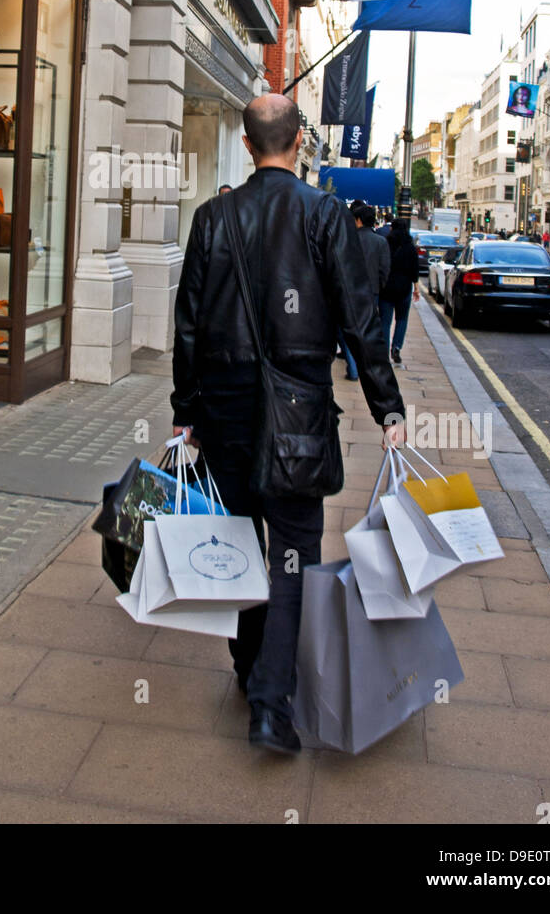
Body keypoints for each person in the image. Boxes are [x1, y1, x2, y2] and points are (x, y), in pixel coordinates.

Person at [171, 94, 405, 756]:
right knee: (293, 555)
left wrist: (187, 412)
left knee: (241, 549)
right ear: (299, 141)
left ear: (247, 146)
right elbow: (362, 323)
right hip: (299, 416)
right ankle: (271, 706)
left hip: (224, 415)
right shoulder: (327, 216)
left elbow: (187, 326)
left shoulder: (213, 217)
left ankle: (250, 672)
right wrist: (388, 409)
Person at [338, 203, 391, 382]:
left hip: (347, 290)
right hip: (371, 292)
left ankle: (353, 368)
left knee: (345, 329)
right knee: (365, 329)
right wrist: (378, 287)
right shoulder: (381, 242)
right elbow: (385, 269)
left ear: (358, 220)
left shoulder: (346, 239)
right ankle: (364, 365)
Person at [379, 217, 420, 363]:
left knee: (385, 321)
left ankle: (384, 350)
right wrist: (416, 288)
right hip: (404, 288)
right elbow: (415, 270)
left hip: (386, 288)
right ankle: (396, 347)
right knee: (402, 319)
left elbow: (381, 265)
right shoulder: (410, 247)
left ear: (392, 228)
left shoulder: (386, 244)